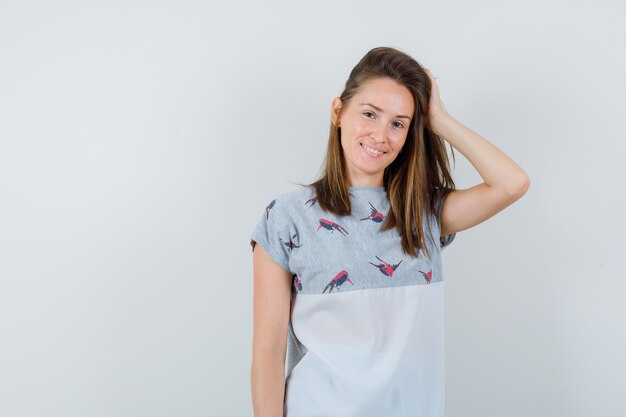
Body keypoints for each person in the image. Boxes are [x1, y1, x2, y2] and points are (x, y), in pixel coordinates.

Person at [249, 46, 530, 417]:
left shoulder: (423, 212)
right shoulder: (287, 217)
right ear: (338, 112)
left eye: (399, 123)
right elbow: (268, 351)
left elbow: (512, 183)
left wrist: (439, 118)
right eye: (369, 114)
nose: (381, 134)